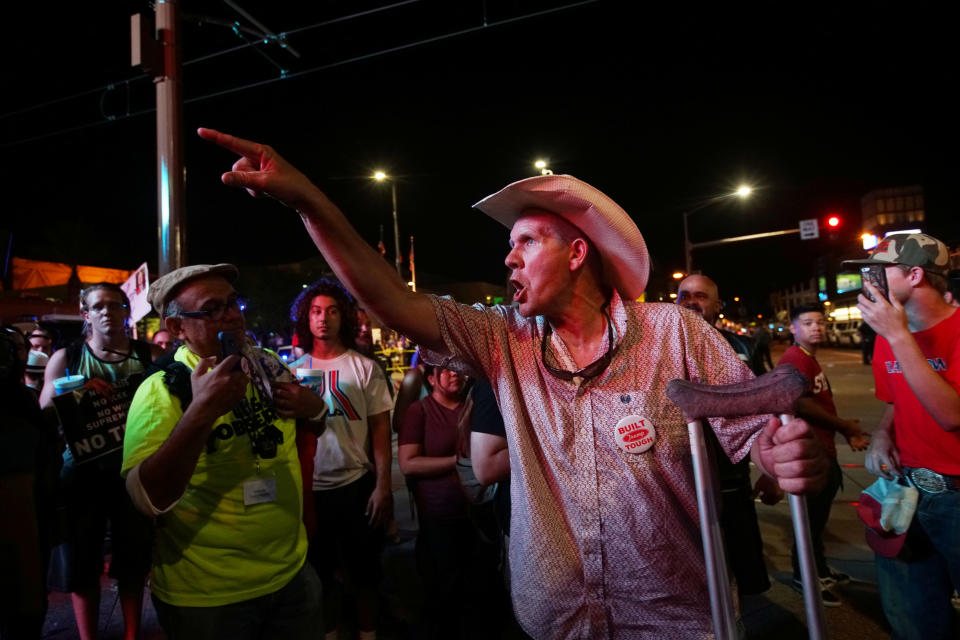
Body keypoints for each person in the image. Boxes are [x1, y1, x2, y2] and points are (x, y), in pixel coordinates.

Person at [199, 128, 826, 638]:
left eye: (526, 241)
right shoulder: (504, 341)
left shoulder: (672, 332)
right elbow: (391, 299)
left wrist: (784, 455)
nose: (509, 258)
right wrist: (307, 198)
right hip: (557, 624)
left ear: (577, 254)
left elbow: (758, 439)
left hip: (675, 620)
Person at [121, 263, 325, 639]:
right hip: (210, 598)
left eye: (233, 303)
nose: (231, 316)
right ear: (177, 328)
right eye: (212, 309)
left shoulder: (267, 365)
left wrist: (314, 408)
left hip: (292, 573)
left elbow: (311, 425)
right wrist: (202, 411)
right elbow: (146, 497)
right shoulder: (161, 390)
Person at [848, 233, 960, 639]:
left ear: (915, 275)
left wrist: (899, 337)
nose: (867, 276)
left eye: (879, 268)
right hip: (906, 492)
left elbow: (951, 415)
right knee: (912, 617)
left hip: (956, 496)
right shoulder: (885, 336)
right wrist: (881, 435)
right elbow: (895, 402)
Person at [39, 283, 161, 640]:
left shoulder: (149, 355)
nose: (107, 311)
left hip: (133, 474)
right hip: (81, 475)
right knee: (81, 563)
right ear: (86, 313)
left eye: (115, 305)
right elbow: (44, 409)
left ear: (127, 312)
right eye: (99, 306)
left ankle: (132, 634)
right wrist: (76, 391)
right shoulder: (68, 358)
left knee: (133, 562)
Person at [288, 278, 393, 640]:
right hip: (311, 488)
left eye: (332, 311)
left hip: (356, 485)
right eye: (316, 311)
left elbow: (381, 430)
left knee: (364, 573)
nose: (323, 319)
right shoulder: (294, 371)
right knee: (319, 574)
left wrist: (383, 486)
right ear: (306, 317)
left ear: (343, 316)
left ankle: (368, 632)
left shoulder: (365, 368)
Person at [676, 274, 776, 597]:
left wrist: (771, 470)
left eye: (701, 296)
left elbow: (765, 406)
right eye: (684, 295)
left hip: (732, 482)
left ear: (718, 306)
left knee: (743, 576)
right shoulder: (658, 350)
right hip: (679, 482)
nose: (691, 302)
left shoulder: (742, 347)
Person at [777, 304, 869, 607]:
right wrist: (845, 426)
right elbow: (800, 404)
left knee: (817, 519)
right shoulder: (795, 359)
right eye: (807, 323)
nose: (816, 328)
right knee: (810, 519)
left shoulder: (808, 358)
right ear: (793, 328)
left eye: (820, 322)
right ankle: (804, 575)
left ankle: (820, 569)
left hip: (823, 448)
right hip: (811, 451)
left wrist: (842, 431)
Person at [397, 365, 475, 638]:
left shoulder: (473, 406)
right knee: (444, 590)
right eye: (445, 370)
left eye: (458, 369)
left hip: (476, 515)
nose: (454, 374)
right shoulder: (420, 411)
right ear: (430, 379)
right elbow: (408, 463)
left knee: (475, 590)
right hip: (439, 515)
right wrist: (458, 463)